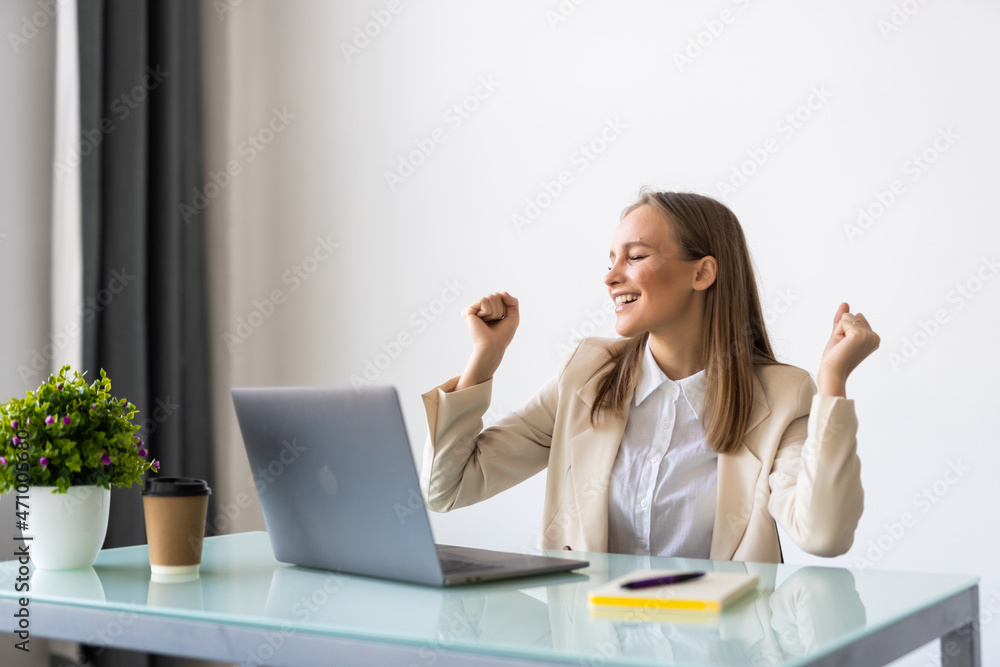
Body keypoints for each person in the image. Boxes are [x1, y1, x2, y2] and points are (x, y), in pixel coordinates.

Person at [419, 190, 880, 562]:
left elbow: (823, 536)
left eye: (634, 257)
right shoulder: (586, 376)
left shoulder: (781, 396)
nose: (610, 277)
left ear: (702, 273)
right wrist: (485, 356)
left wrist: (833, 379)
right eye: (611, 260)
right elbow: (448, 487)